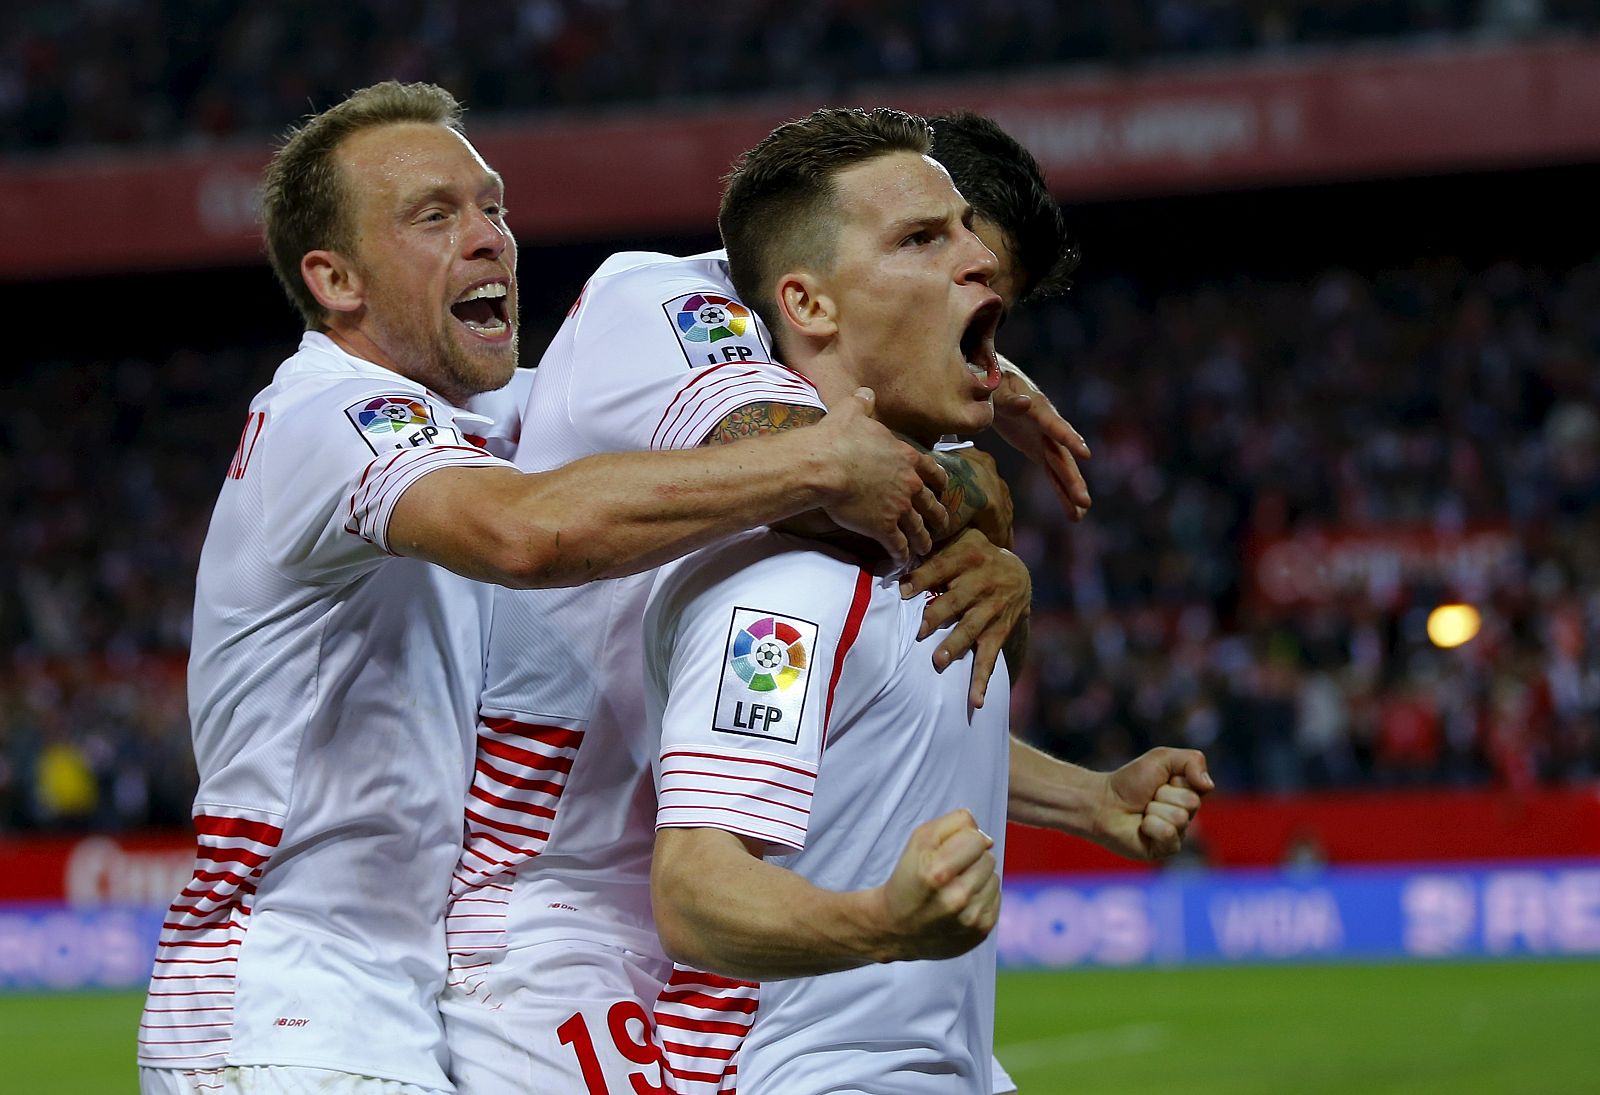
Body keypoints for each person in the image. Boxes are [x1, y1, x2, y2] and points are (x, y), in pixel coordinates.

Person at [134, 81, 951, 1095]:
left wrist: (977, 374)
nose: (488, 239)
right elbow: (527, 534)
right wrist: (827, 466)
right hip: (285, 999)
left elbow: (729, 308)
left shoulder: (482, 421)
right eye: (434, 216)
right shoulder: (329, 415)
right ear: (334, 278)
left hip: (389, 998)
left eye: (493, 206)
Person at [435, 108, 1093, 1093]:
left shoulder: (863, 423)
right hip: (554, 909)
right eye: (931, 238)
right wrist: (973, 488)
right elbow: (835, 471)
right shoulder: (663, 306)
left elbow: (921, 685)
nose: (971, 284)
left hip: (701, 894)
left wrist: (1002, 570)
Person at [644, 108, 1211, 1094]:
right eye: (921, 238)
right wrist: (881, 927)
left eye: (962, 230)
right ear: (808, 306)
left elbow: (890, 734)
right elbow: (694, 889)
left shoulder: (909, 557)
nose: (976, 261)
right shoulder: (781, 593)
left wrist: (1087, 800)